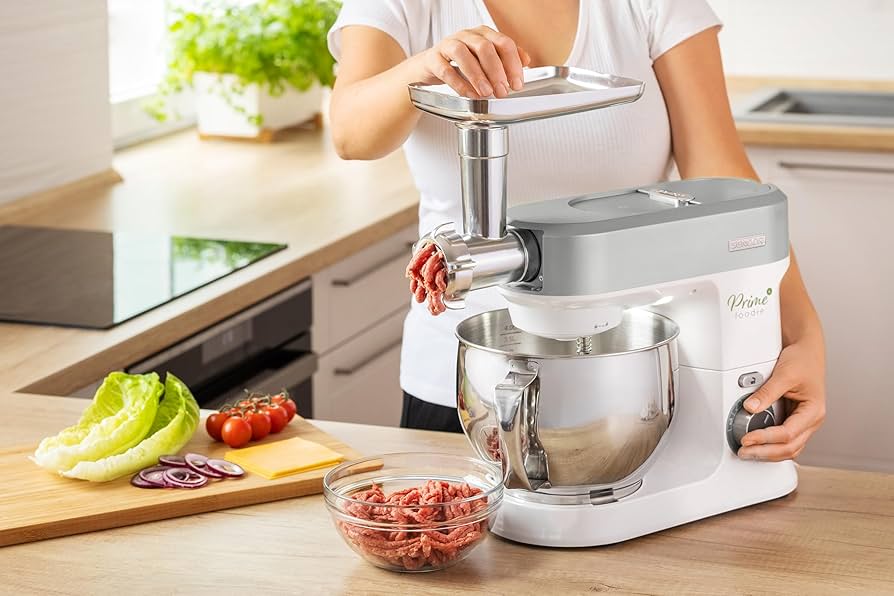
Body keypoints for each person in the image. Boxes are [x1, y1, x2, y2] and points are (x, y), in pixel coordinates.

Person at [326, 0, 826, 462]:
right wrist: (427, 67)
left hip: (628, 378)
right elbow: (351, 133)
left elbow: (726, 183)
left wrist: (805, 335)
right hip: (462, 387)